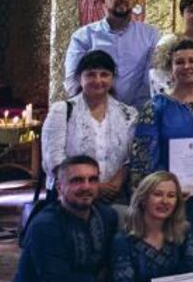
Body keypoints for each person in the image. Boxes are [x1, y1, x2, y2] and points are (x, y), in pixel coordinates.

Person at [134, 37, 193, 256]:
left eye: (192, 61)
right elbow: (144, 158)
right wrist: (166, 190)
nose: (187, 67)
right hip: (168, 202)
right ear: (170, 67)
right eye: (180, 62)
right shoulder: (156, 107)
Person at [41, 50, 137, 201]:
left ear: (112, 79)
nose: (98, 80)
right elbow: (53, 159)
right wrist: (93, 186)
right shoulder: (62, 111)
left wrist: (118, 181)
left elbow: (131, 158)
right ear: (80, 78)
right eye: (91, 74)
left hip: (115, 196)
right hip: (71, 197)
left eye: (104, 74)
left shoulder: (128, 114)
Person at [64, 0, 160, 107]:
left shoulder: (150, 35)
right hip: (93, 114)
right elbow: (72, 78)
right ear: (104, 0)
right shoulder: (83, 36)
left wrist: (135, 112)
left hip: (138, 113)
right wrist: (89, 110)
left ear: (134, 1)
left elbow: (152, 78)